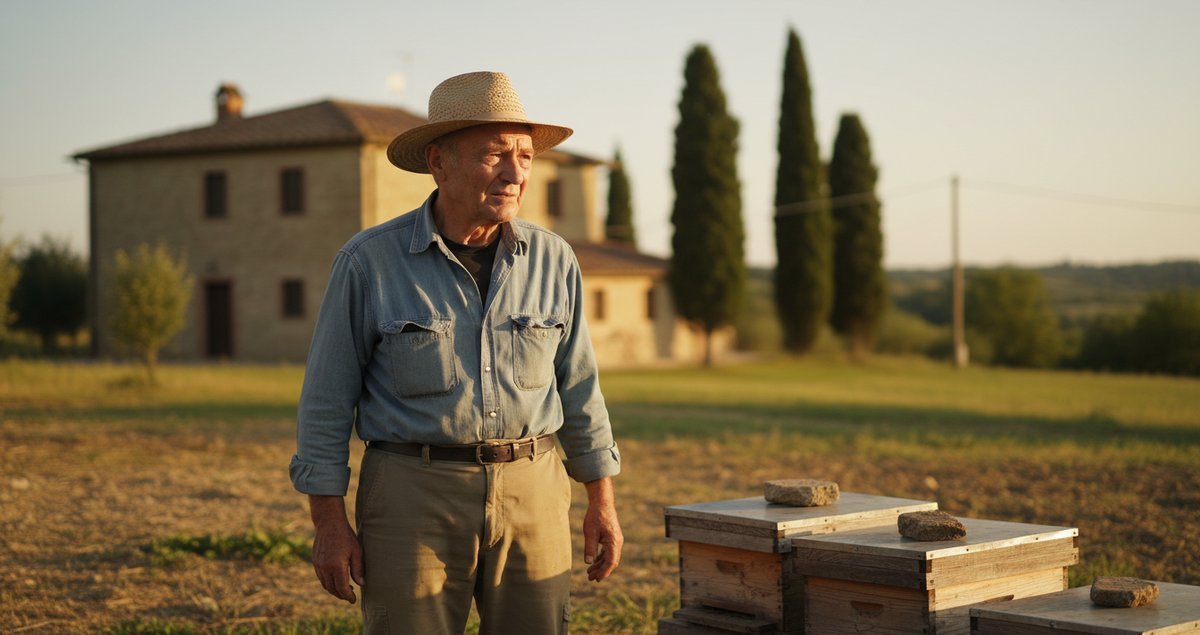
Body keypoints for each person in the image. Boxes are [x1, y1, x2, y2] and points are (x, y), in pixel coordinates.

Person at [288, 71, 623, 634]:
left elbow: (580, 388)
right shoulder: (369, 262)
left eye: (524, 155)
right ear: (439, 163)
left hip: (534, 495)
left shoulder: (554, 260)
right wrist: (328, 522)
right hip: (411, 499)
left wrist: (602, 500)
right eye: (495, 155)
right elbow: (325, 401)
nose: (516, 173)